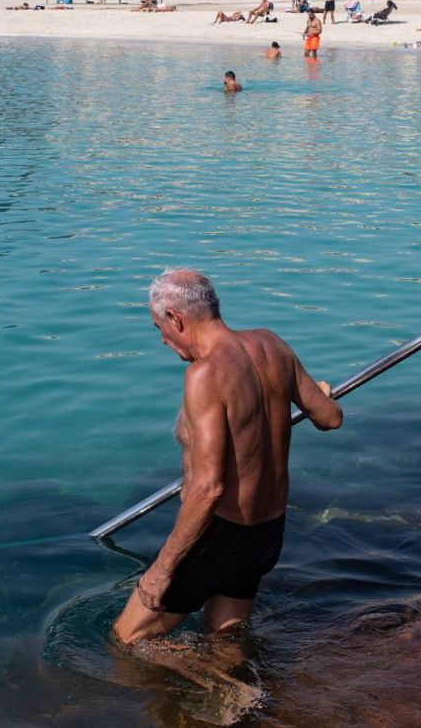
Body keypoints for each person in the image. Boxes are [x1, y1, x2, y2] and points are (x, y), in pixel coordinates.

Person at [112, 269, 342, 645]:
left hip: (219, 532)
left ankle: (203, 681)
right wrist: (319, 394)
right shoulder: (272, 345)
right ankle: (236, 697)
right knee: (225, 637)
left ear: (176, 318)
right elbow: (330, 418)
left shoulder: (205, 374)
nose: (162, 340)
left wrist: (162, 568)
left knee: (127, 640)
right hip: (267, 531)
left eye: (159, 327)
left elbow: (209, 487)